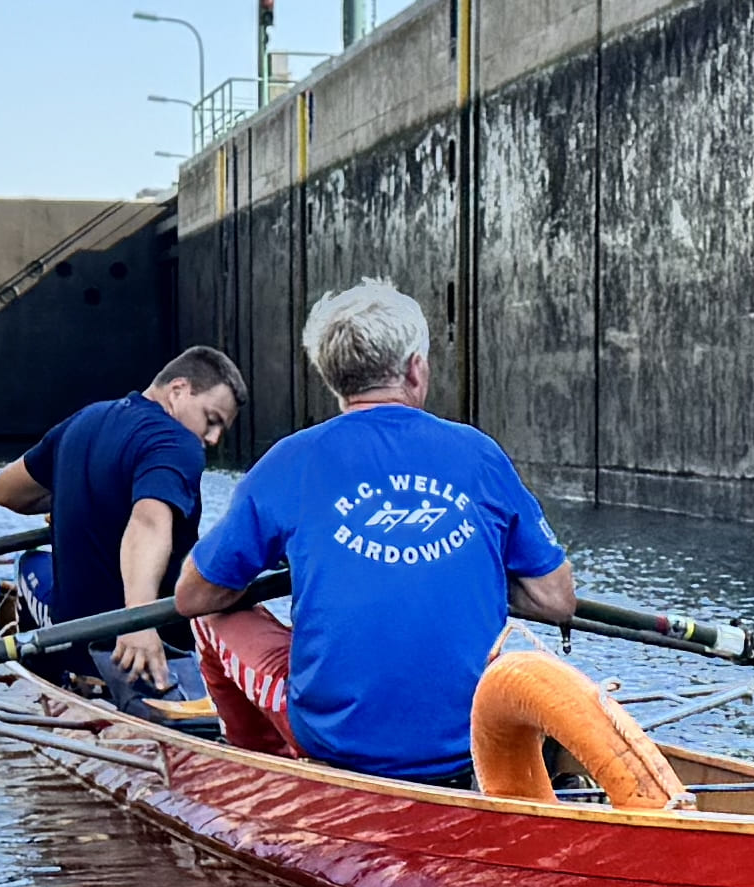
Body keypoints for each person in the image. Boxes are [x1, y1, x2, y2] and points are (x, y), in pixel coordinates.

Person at [175, 277, 580, 781]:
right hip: (473, 737)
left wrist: (307, 560)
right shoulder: (479, 454)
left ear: (334, 379)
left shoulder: (292, 460)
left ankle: (261, 771)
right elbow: (557, 600)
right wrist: (459, 569)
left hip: (339, 741)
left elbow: (193, 596)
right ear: (415, 369)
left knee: (213, 621)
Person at [0, 345, 242, 692]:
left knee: (31, 563)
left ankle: (45, 673)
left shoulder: (84, 420)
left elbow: (6, 492)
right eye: (211, 420)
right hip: (139, 649)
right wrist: (137, 621)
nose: (211, 439)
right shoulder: (177, 443)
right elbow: (149, 523)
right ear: (178, 389)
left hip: (74, 640)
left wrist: (75, 498)